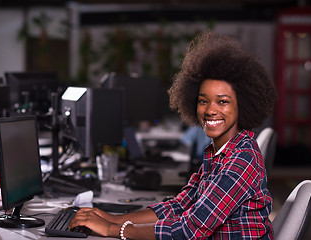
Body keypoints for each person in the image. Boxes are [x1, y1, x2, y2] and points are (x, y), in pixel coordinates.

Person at [69, 31, 277, 239]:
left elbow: (190, 229)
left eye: (222, 101)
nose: (210, 110)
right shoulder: (218, 152)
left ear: (243, 104)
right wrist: (112, 218)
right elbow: (180, 206)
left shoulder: (241, 159)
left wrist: (112, 229)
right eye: (203, 101)